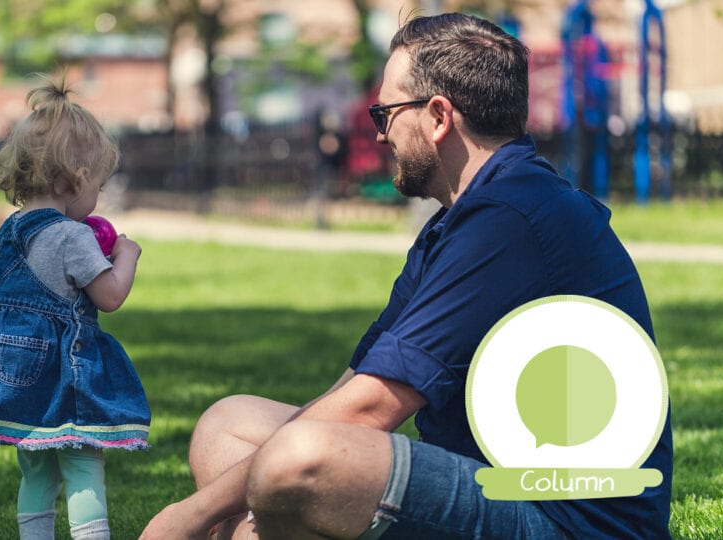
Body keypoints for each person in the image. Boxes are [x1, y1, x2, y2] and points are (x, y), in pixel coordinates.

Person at [141, 13, 672, 540]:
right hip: (490, 478)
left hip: (564, 517)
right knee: (227, 425)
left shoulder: (511, 218)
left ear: (438, 116)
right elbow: (354, 386)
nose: (379, 134)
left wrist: (189, 516)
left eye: (385, 112)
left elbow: (373, 408)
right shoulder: (464, 218)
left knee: (302, 456)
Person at [0, 76, 149, 540]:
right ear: (77, 179)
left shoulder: (8, 230)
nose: (97, 200)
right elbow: (110, 297)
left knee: (37, 470)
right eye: (98, 187)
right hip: (61, 377)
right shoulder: (73, 236)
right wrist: (126, 256)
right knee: (83, 460)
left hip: (15, 374)